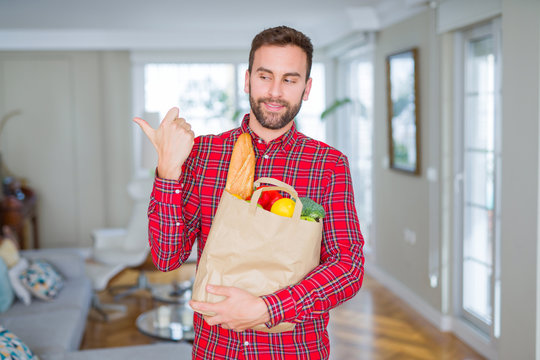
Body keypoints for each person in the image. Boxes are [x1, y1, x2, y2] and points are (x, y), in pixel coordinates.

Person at [134, 25, 364, 360]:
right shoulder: (205, 154)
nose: (275, 91)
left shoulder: (328, 165)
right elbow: (168, 257)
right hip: (216, 348)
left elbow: (348, 266)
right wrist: (168, 171)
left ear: (307, 87)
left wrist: (268, 309)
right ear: (247, 80)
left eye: (290, 79)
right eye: (265, 76)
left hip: (294, 349)